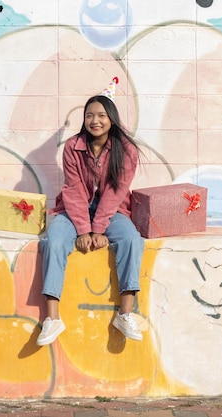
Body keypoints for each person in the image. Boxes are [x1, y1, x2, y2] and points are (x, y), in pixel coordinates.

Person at [36, 93, 145, 346]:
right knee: (54, 241)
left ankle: (125, 314)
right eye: (89, 116)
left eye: (101, 116)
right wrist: (84, 230)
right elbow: (73, 190)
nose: (94, 121)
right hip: (75, 209)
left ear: (112, 119)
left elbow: (116, 192)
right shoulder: (73, 147)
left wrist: (98, 229)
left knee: (131, 240)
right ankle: (52, 318)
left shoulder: (126, 149)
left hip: (113, 210)